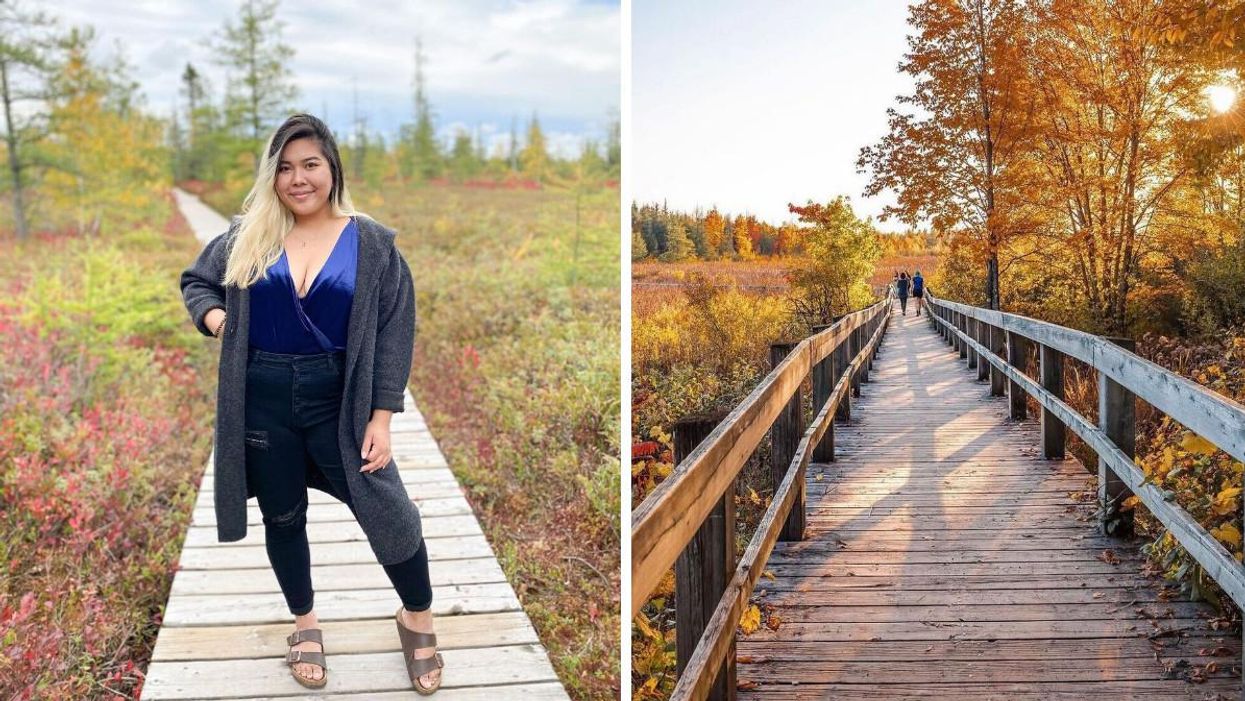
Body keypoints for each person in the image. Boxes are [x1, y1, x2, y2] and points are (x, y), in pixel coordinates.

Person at [179, 114, 443, 694]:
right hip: (263, 400)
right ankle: (305, 624)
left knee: (390, 511)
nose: (298, 179)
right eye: (285, 168)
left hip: (338, 401)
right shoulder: (249, 235)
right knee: (282, 516)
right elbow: (197, 281)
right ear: (272, 176)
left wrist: (381, 417)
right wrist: (218, 318)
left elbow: (394, 333)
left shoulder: (371, 243)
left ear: (332, 169)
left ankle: (417, 618)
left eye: (310, 165)